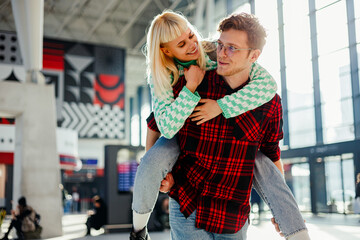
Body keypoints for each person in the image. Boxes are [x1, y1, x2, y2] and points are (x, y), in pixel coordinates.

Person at [130, 10, 309, 240]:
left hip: (232, 210)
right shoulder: (183, 79)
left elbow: (271, 155)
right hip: (188, 201)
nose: (221, 53)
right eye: (220, 45)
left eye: (232, 48)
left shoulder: (267, 101)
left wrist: (283, 209)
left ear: (253, 56)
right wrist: (160, 175)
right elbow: (158, 125)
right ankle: (137, 230)